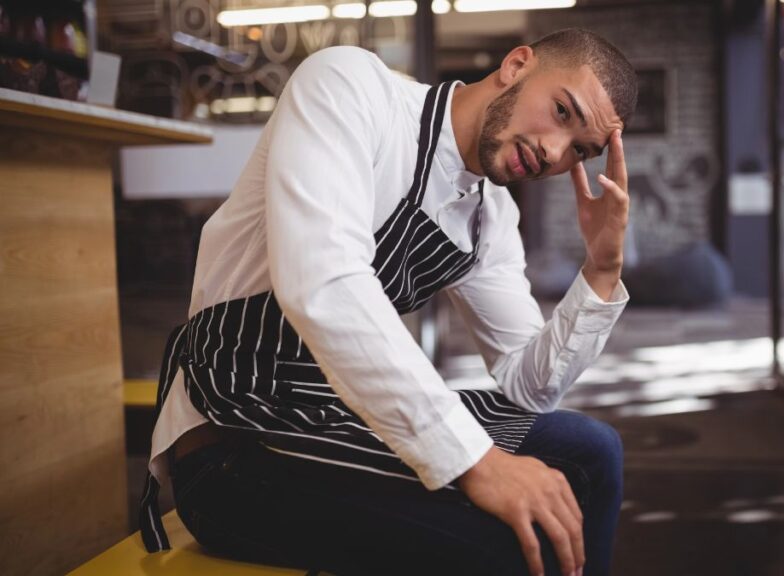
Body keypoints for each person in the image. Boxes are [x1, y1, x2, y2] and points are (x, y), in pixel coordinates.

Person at [140, 27, 638, 576]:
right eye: (563, 112)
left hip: (338, 419)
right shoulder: (351, 87)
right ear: (517, 65)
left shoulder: (489, 219)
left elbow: (530, 385)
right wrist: (476, 462)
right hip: (235, 442)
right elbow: (325, 284)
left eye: (580, 152)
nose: (553, 152)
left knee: (592, 448)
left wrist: (601, 268)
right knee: (515, 547)